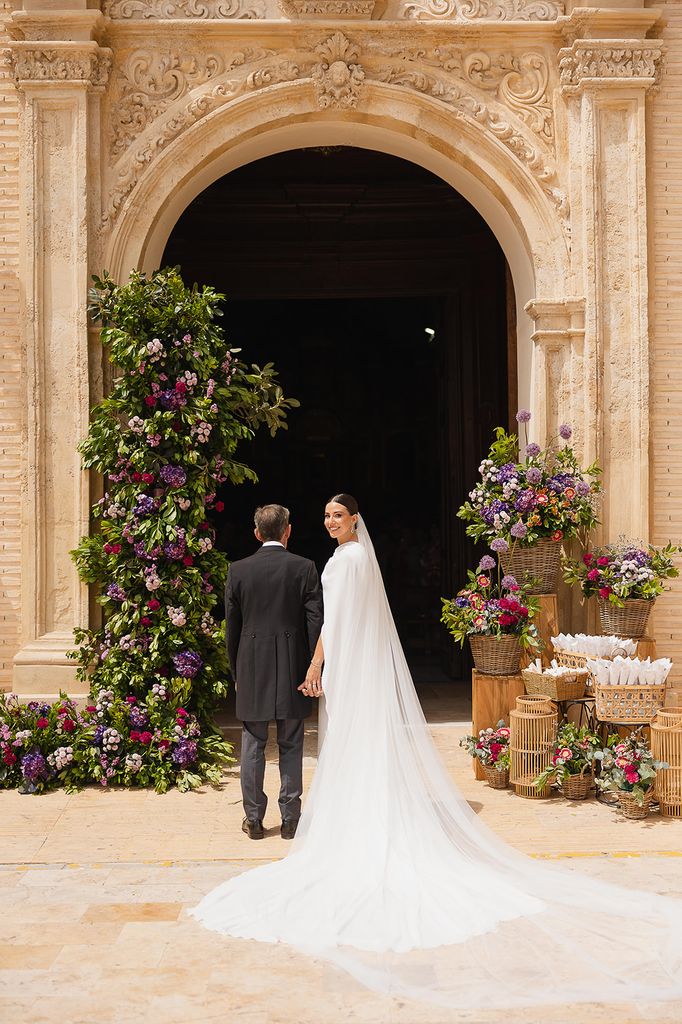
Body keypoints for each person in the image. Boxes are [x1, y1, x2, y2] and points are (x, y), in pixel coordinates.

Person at [191, 494, 682, 1012]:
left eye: (337, 514)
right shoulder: (343, 559)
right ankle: (330, 813)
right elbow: (331, 620)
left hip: (340, 666)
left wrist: (315, 667)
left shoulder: (341, 560)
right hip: (350, 665)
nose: (330, 521)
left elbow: (330, 624)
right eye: (326, 516)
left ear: (355, 518)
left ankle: (320, 818)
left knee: (307, 743)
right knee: (319, 744)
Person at [225, 503, 323, 840]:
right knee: (292, 742)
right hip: (294, 663)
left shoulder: (238, 570)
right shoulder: (304, 567)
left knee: (253, 743)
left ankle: (253, 819)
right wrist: (315, 664)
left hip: (251, 663)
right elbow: (315, 622)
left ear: (256, 533)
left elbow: (232, 629)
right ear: (288, 531)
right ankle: (291, 820)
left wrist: (235, 670)